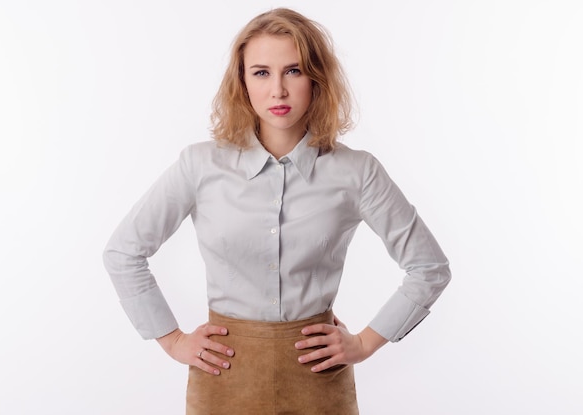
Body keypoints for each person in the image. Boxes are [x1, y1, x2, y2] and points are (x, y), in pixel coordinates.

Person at [103, 7, 451, 415]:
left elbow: (429, 267)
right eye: (262, 72)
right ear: (243, 82)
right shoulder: (200, 165)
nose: (278, 91)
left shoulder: (357, 172)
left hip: (319, 377)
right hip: (223, 373)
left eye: (294, 71)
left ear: (317, 78)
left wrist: (365, 343)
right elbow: (123, 253)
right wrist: (172, 339)